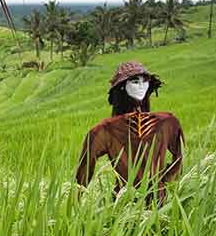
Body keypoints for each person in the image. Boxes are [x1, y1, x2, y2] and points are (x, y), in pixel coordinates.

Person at [76, 61, 184, 204]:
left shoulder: (166, 122)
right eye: (134, 81)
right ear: (122, 87)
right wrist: (75, 201)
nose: (141, 86)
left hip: (158, 202)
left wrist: (162, 182)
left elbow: (180, 156)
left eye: (144, 80)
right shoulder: (105, 129)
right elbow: (84, 170)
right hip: (122, 203)